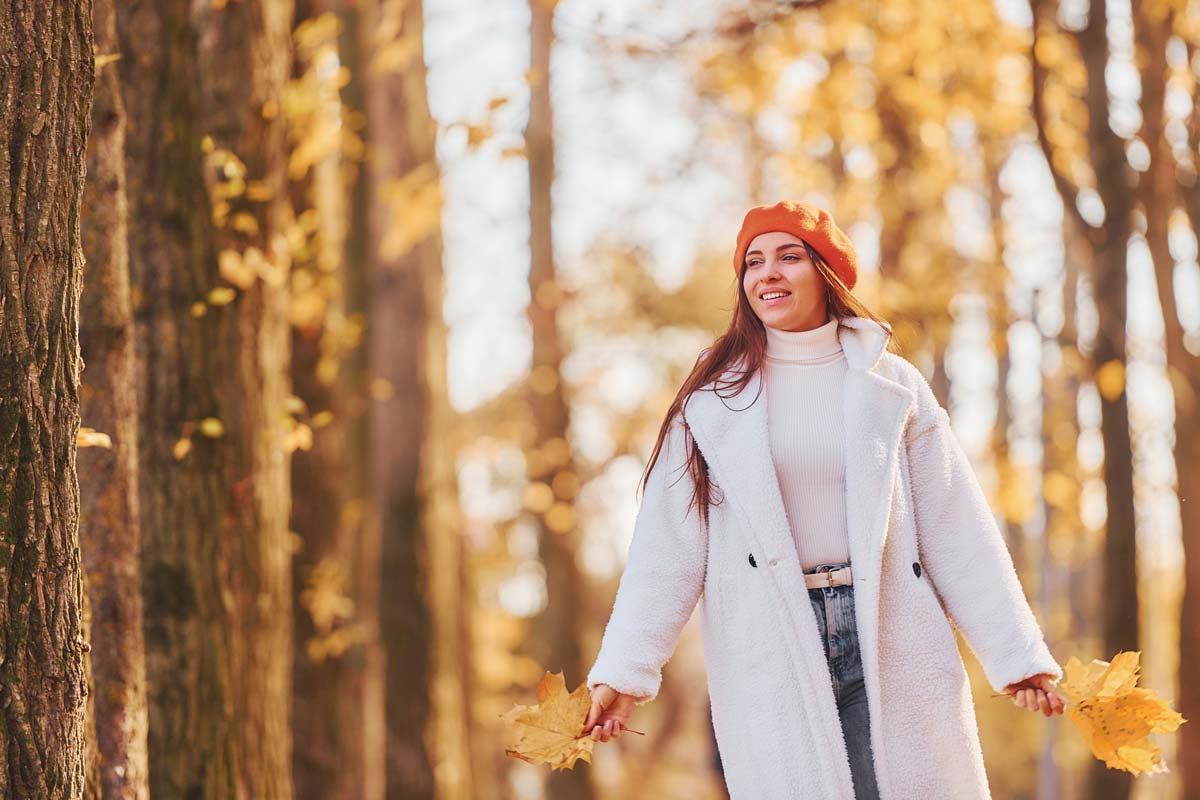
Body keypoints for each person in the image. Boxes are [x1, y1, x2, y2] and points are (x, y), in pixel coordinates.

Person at [581, 201, 1067, 799]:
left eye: (790, 257)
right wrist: (625, 671)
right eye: (753, 263)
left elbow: (955, 526)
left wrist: (1017, 655)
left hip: (889, 628)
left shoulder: (894, 385)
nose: (768, 274)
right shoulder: (712, 403)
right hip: (771, 640)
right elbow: (667, 551)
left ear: (827, 274)